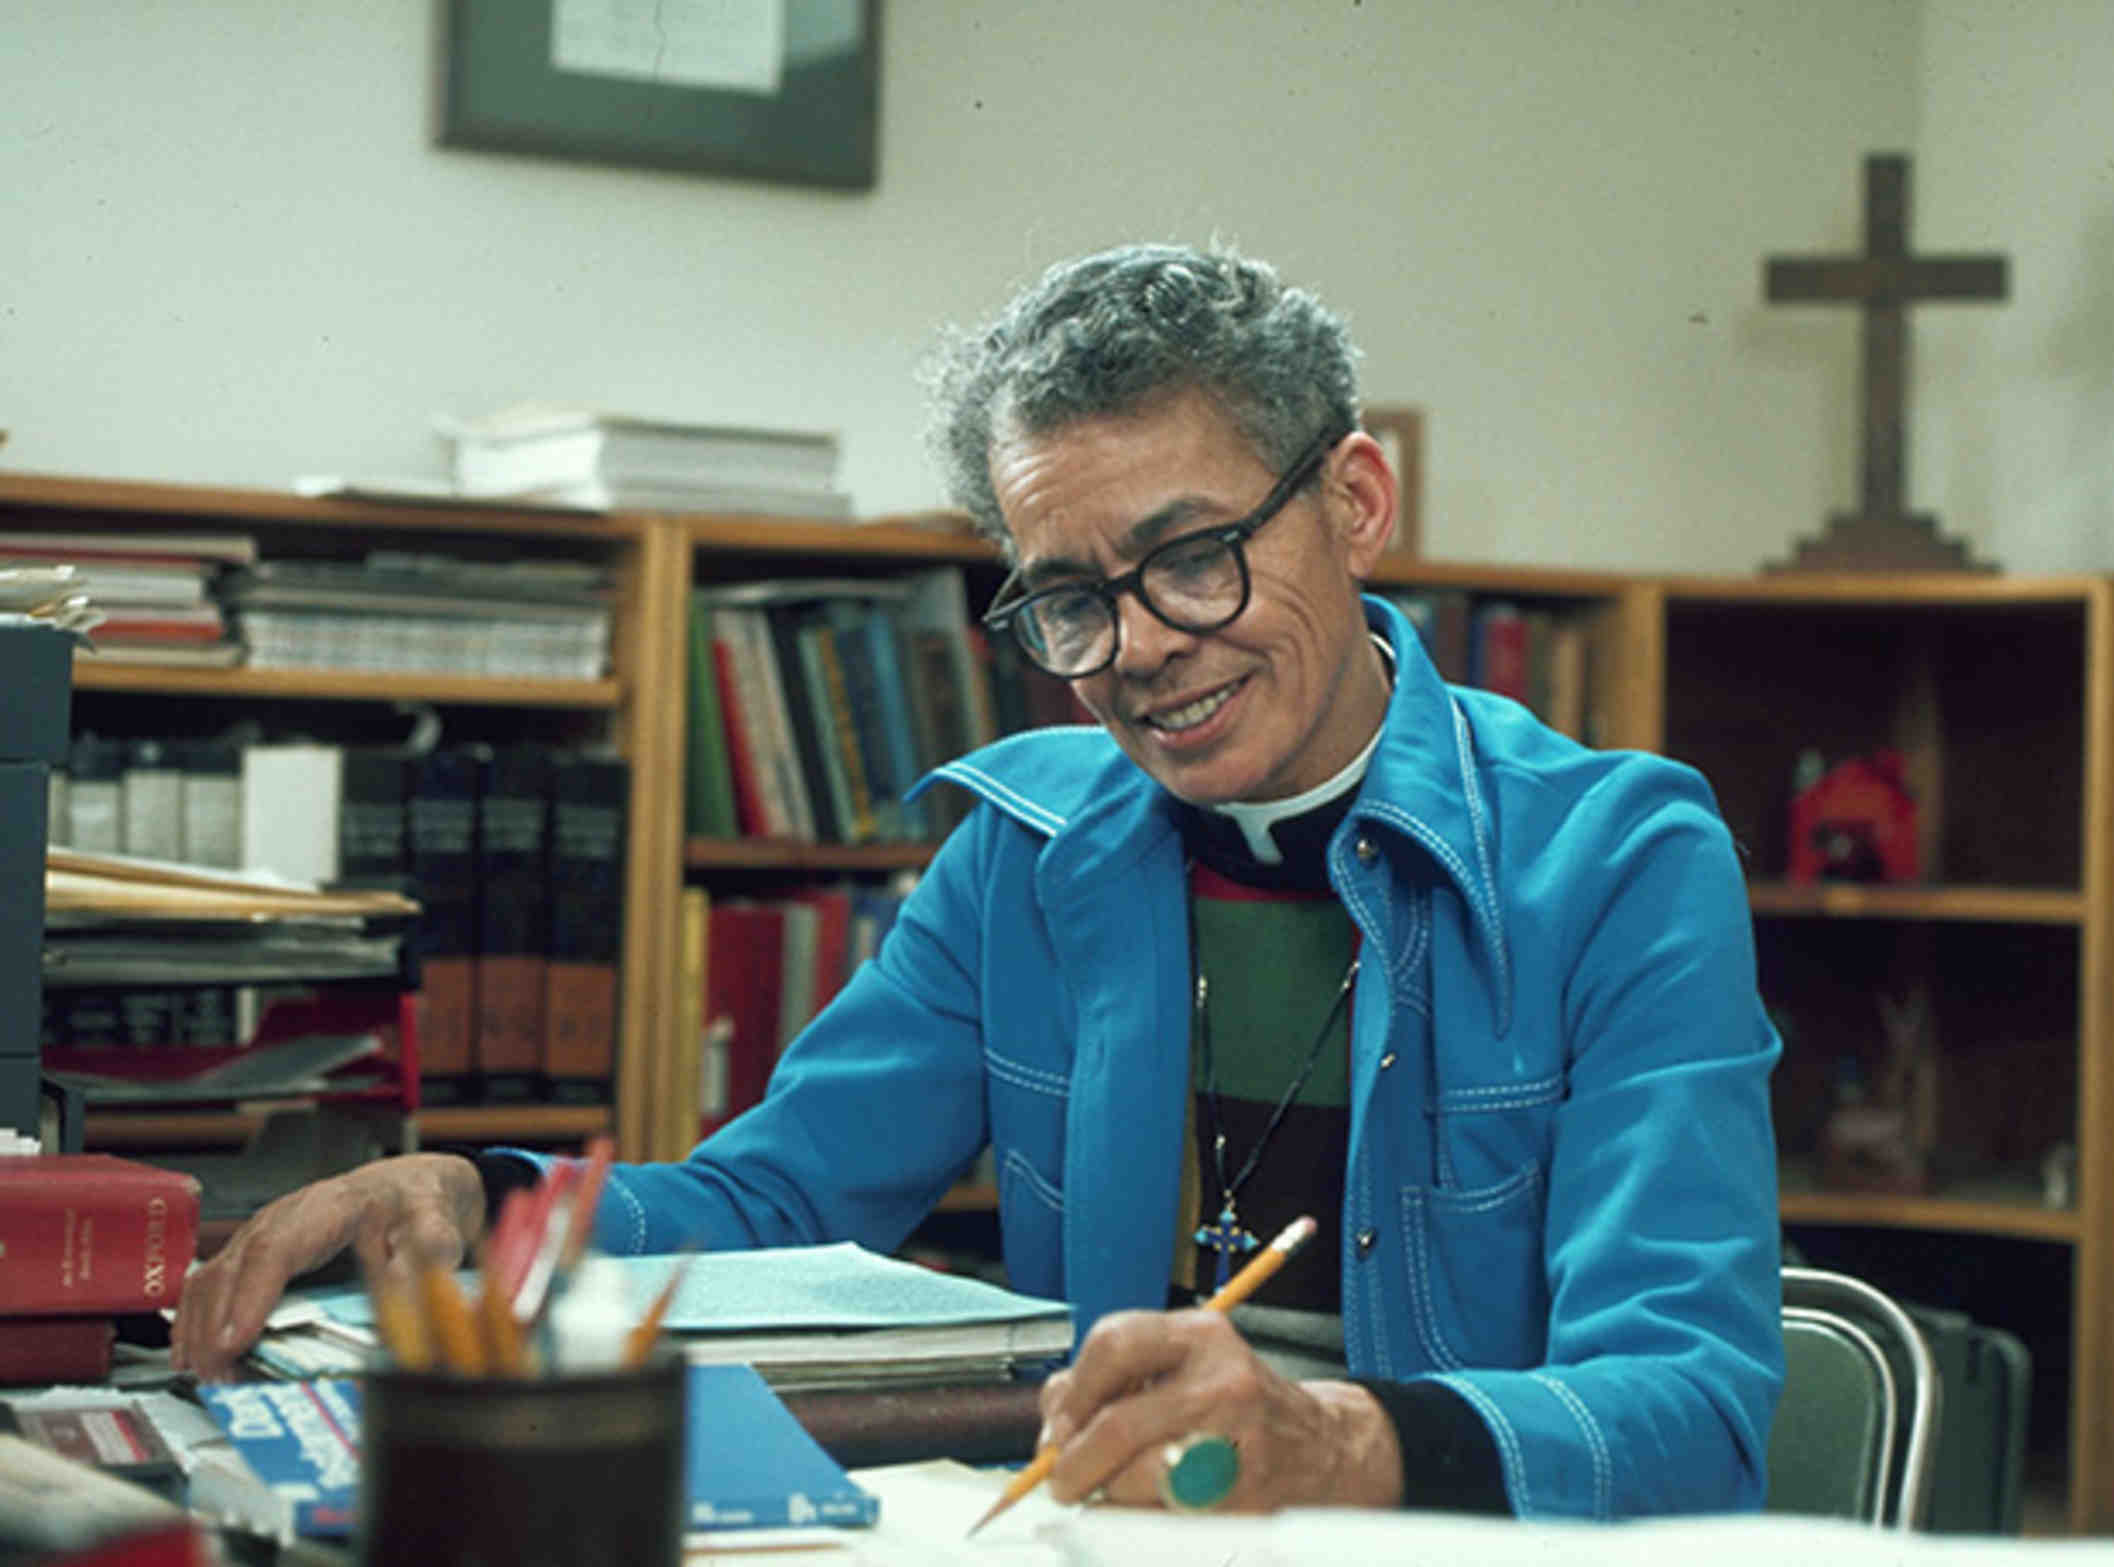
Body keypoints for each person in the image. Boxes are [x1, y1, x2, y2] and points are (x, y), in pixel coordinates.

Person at [172, 243, 1784, 1521]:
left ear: (1355, 506)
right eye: (1069, 600)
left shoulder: (1621, 861)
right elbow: (776, 1204)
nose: (1141, 649)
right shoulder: (1025, 852)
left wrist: (1329, 1442)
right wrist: (482, 1199)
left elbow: (1692, 1406)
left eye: (1194, 556)